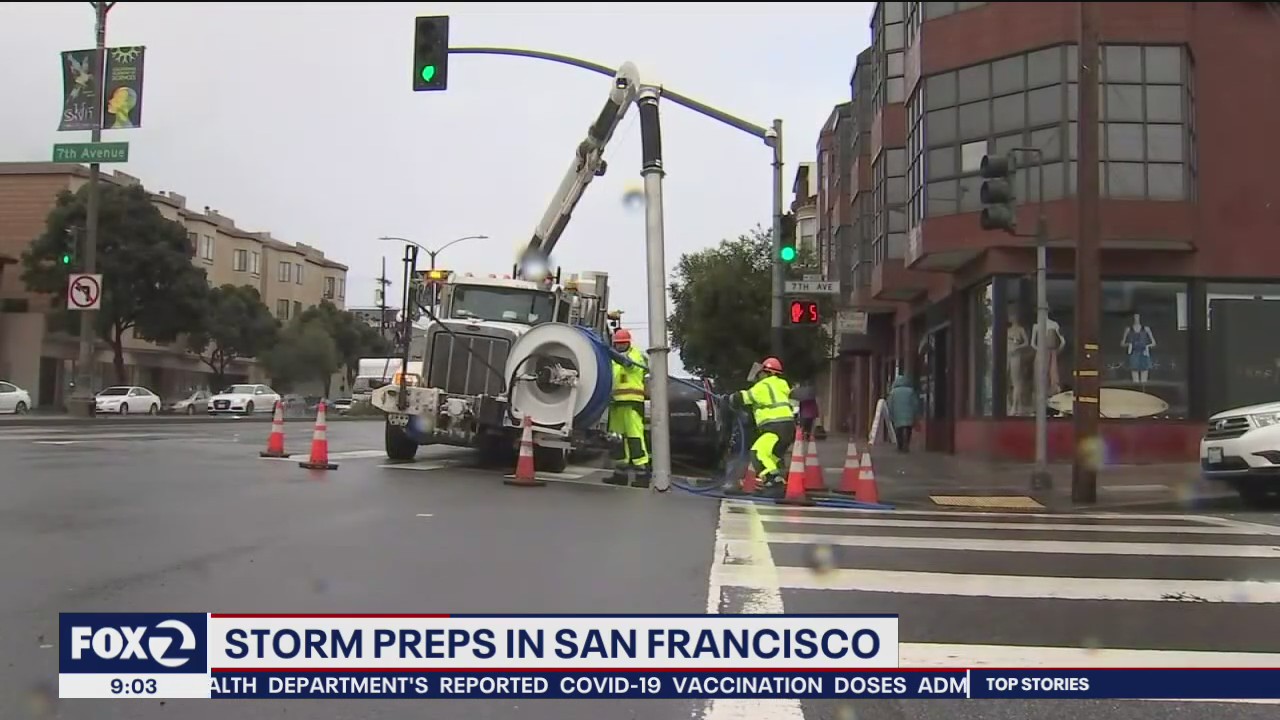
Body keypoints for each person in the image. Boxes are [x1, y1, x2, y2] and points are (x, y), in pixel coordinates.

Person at [733, 357, 796, 498]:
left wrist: (729, 399)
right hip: (788, 427)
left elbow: (744, 397)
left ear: (768, 373)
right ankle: (778, 483)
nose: (759, 375)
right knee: (772, 457)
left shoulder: (762, 386)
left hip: (774, 427)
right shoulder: (783, 385)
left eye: (761, 373)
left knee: (758, 453)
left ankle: (774, 483)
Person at [604, 328, 651, 487]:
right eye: (617, 345)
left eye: (622, 344)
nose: (620, 347)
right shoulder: (613, 361)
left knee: (635, 437)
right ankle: (620, 474)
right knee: (616, 438)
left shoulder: (636, 355)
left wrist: (611, 353)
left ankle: (642, 473)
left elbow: (629, 365)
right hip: (616, 404)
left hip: (632, 403)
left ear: (628, 343)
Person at [886, 375, 919, 452]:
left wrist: (891, 413)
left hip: (898, 415)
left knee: (898, 430)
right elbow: (915, 403)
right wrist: (915, 413)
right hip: (909, 414)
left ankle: (900, 445)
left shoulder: (893, 392)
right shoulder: (910, 391)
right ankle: (906, 444)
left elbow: (890, 404)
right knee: (908, 429)